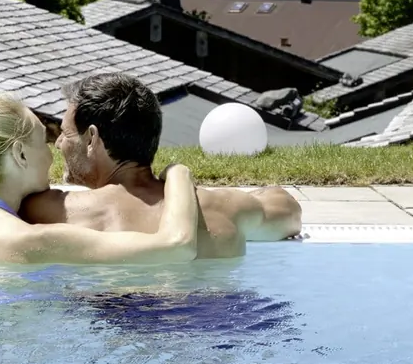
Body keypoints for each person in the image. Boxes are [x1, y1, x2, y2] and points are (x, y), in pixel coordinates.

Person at [0, 90, 205, 266]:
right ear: (20, 155)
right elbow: (176, 247)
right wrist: (178, 175)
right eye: (42, 139)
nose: (53, 151)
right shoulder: (37, 241)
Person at [18, 73, 303, 259]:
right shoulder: (218, 207)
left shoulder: (54, 210)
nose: (59, 145)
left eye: (66, 134)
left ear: (92, 138)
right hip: (217, 324)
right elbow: (288, 210)